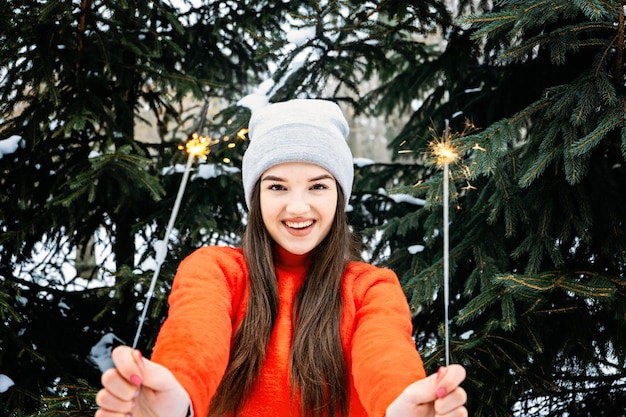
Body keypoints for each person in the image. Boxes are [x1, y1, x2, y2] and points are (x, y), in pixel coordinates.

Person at [95, 99, 467, 417]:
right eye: (277, 186)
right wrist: (175, 398)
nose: (298, 206)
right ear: (256, 197)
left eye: (318, 185)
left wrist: (399, 403)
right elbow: (194, 338)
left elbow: (384, 354)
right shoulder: (216, 271)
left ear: (340, 196)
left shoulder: (370, 288)